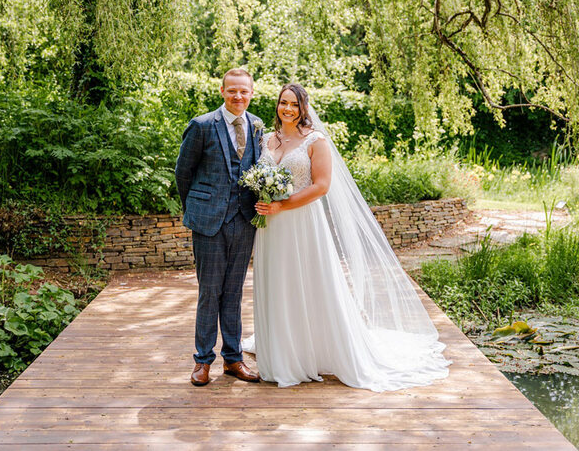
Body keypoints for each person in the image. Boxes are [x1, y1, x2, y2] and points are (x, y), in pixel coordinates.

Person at [242, 83, 451, 391]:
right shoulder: (265, 139)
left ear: (304, 108)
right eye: (283, 103)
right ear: (277, 105)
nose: (288, 109)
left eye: (295, 104)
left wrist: (281, 205)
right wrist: (265, 200)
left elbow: (321, 186)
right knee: (277, 281)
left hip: (302, 222)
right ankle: (281, 350)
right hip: (271, 226)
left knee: (309, 282)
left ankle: (312, 351)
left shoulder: (315, 140)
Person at [175, 68, 264, 386]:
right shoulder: (201, 125)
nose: (238, 96)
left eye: (244, 91)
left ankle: (233, 359)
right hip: (208, 223)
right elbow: (183, 172)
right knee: (209, 292)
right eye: (233, 90)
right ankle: (202, 361)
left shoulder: (257, 126)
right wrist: (198, 210)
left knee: (234, 293)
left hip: (244, 220)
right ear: (222, 91)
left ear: (251, 93)